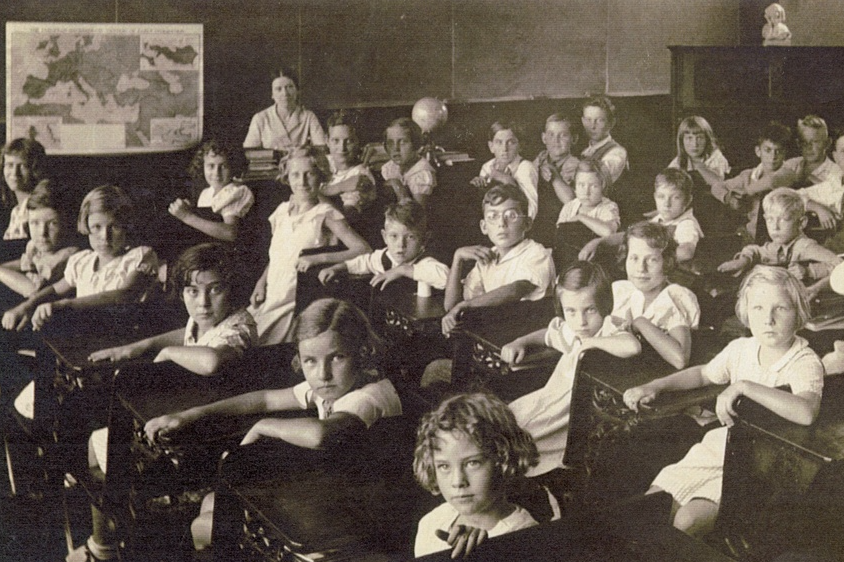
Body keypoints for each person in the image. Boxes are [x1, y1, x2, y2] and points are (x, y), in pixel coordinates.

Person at [143, 298, 403, 551]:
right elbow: (265, 398)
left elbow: (319, 434)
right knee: (212, 503)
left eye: (337, 358)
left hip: (361, 518)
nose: (322, 374)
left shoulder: (370, 395)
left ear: (363, 352)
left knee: (206, 526)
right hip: (330, 493)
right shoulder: (332, 389)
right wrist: (189, 415)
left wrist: (264, 426)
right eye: (310, 361)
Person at [65, 243, 257, 562]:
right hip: (191, 420)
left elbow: (211, 360)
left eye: (215, 290)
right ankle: (108, 523)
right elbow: (188, 333)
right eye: (192, 291)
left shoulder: (239, 326)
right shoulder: (212, 320)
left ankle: (104, 544)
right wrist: (138, 347)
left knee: (101, 442)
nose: (203, 302)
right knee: (98, 451)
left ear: (233, 289)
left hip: (209, 438)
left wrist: (166, 355)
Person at [624, 266, 822, 536]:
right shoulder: (742, 348)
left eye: (781, 308)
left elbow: (806, 411)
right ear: (746, 311)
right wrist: (656, 385)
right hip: (715, 449)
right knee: (650, 506)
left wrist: (744, 387)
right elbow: (704, 374)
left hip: (757, 467)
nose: (768, 320)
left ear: (798, 313)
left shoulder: (804, 361)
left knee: (687, 522)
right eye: (759, 308)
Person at [6, 185, 159, 420]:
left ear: (126, 226)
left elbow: (123, 295)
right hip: (79, 354)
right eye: (96, 227)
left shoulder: (139, 257)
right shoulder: (82, 261)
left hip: (119, 353)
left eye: (114, 227)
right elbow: (55, 289)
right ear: (86, 225)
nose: (104, 237)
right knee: (26, 403)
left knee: (57, 408)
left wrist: (64, 305)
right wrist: (26, 306)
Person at [501, 262, 641, 476]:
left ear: (604, 306)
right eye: (571, 311)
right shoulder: (573, 330)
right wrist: (520, 342)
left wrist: (591, 344)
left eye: (590, 310)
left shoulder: (608, 328)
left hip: (571, 417)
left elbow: (632, 346)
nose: (581, 322)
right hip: (548, 400)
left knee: (516, 440)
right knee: (501, 423)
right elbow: (546, 335)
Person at [248, 148, 370, 345]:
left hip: (295, 301)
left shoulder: (325, 214)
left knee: (260, 344)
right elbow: (280, 255)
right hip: (272, 294)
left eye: (309, 174)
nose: (302, 182)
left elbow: (363, 249)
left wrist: (319, 258)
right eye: (296, 174)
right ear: (287, 177)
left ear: (320, 176)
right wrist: (261, 282)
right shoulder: (281, 212)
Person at [412, 392, 541, 558]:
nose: (458, 481)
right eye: (444, 466)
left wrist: (484, 554)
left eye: (473, 463)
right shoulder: (432, 523)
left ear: (504, 460)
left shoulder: (525, 536)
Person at [441, 183, 554, 337]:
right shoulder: (488, 256)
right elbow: (451, 306)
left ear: (527, 223)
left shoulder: (536, 253)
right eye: (493, 216)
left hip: (525, 336)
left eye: (511, 215)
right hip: (494, 334)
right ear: (484, 226)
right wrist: (457, 258)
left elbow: (516, 289)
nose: (501, 223)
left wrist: (465, 305)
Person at [718, 188, 841, 298]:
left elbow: (840, 265)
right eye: (770, 220)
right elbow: (757, 250)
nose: (775, 227)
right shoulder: (779, 245)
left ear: (802, 223)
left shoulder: (805, 246)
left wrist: (809, 271)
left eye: (784, 220)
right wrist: (743, 260)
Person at [610, 222, 699, 369]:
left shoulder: (672, 297)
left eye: (652, 259)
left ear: (667, 262)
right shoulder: (625, 291)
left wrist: (640, 322)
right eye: (634, 258)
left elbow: (680, 359)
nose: (641, 268)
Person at [318, 200, 449, 291]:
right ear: (384, 237)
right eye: (394, 236)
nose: (401, 245)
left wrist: (402, 270)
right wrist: (336, 268)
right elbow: (363, 262)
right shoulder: (384, 257)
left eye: (410, 237)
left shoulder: (425, 262)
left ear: (424, 240)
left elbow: (445, 277)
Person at [580, 168, 703, 264]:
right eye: (661, 197)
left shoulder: (686, 224)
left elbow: (686, 252)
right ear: (655, 197)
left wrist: (654, 261)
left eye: (675, 197)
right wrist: (599, 241)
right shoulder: (658, 220)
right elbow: (628, 235)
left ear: (687, 200)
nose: (667, 203)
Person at [711, 121, 796, 239]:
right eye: (768, 150)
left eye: (779, 151)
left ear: (785, 153)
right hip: (751, 235)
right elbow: (716, 186)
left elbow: (772, 181)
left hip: (781, 237)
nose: (773, 156)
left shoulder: (788, 173)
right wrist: (729, 198)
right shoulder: (748, 175)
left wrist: (746, 192)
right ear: (758, 151)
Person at [0, 180, 79, 307]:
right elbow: (25, 264)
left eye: (53, 223)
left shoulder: (69, 254)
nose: (42, 232)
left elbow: (35, 291)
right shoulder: (35, 247)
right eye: (35, 223)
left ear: (67, 224)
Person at [168, 139, 254, 244]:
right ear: (202, 166)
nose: (216, 173)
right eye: (211, 166)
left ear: (234, 167)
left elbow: (230, 233)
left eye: (223, 166)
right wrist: (191, 211)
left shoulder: (237, 192)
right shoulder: (206, 193)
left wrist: (187, 216)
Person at [243, 67, 327, 152]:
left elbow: (321, 147)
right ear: (272, 94)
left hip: (300, 164)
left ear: (297, 91)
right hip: (269, 165)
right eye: (278, 89)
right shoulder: (260, 118)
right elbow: (250, 152)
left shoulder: (308, 117)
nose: (285, 93)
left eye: (289, 87)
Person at [319, 110, 378, 226]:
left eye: (349, 141)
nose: (342, 148)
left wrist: (318, 193)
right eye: (336, 141)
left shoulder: (361, 175)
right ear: (327, 141)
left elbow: (348, 217)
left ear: (358, 142)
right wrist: (340, 187)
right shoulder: (325, 161)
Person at [470, 120, 539, 219]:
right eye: (499, 142)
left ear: (520, 146)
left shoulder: (525, 167)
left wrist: (505, 179)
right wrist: (480, 184)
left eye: (511, 142)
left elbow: (531, 209)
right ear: (491, 147)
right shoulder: (488, 166)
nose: (504, 149)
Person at [532, 113, 580, 248]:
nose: (556, 140)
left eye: (563, 135)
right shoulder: (542, 156)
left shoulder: (575, 164)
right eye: (551, 134)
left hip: (560, 222)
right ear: (543, 138)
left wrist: (554, 175)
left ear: (573, 139)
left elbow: (570, 200)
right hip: (539, 217)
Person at [381, 117, 436, 208]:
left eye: (402, 142)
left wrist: (397, 186)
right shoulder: (390, 168)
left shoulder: (422, 174)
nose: (395, 148)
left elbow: (416, 217)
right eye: (390, 143)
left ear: (416, 144)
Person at [1, 138, 47, 242]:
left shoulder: (39, 209)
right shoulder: (16, 211)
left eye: (22, 166)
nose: (14, 172)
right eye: (9, 165)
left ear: (36, 169)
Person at [668, 116, 731, 190]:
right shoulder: (679, 161)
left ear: (707, 140)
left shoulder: (716, 156)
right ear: (682, 141)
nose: (695, 144)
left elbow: (719, 183)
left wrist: (700, 166)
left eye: (699, 138)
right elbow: (667, 183)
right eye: (689, 138)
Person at [580, 95, 628, 187]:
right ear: (582, 121)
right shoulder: (585, 151)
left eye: (599, 120)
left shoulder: (617, 152)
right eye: (588, 120)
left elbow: (594, 182)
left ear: (611, 123)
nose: (592, 126)